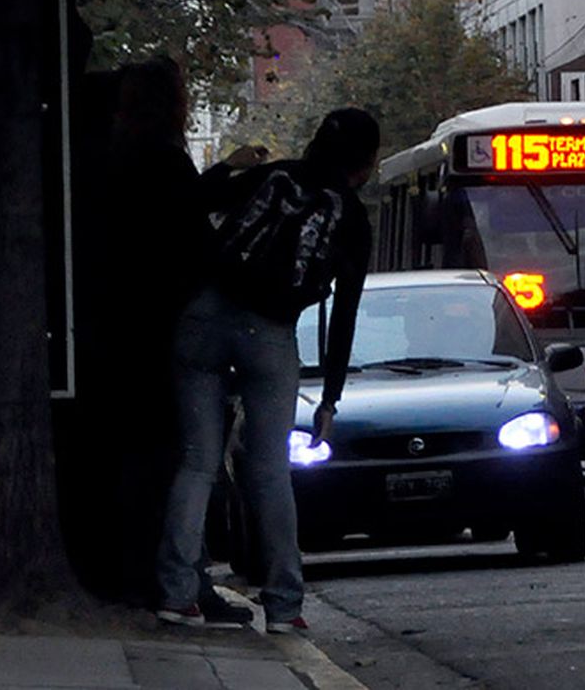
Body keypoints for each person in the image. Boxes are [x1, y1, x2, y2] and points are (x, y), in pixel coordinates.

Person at [154, 108, 379, 633]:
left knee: (197, 462)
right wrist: (330, 399)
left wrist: (226, 167)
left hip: (204, 317)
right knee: (269, 470)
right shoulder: (351, 217)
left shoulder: (272, 174)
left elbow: (192, 204)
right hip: (270, 334)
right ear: (365, 165)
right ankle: (283, 605)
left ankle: (176, 592)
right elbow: (343, 314)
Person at [89, 57, 257, 625]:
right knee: (185, 459)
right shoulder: (160, 158)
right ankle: (180, 578)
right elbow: (185, 219)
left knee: (147, 460)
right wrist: (229, 176)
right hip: (165, 327)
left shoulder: (115, 156)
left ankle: (150, 575)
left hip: (124, 328)